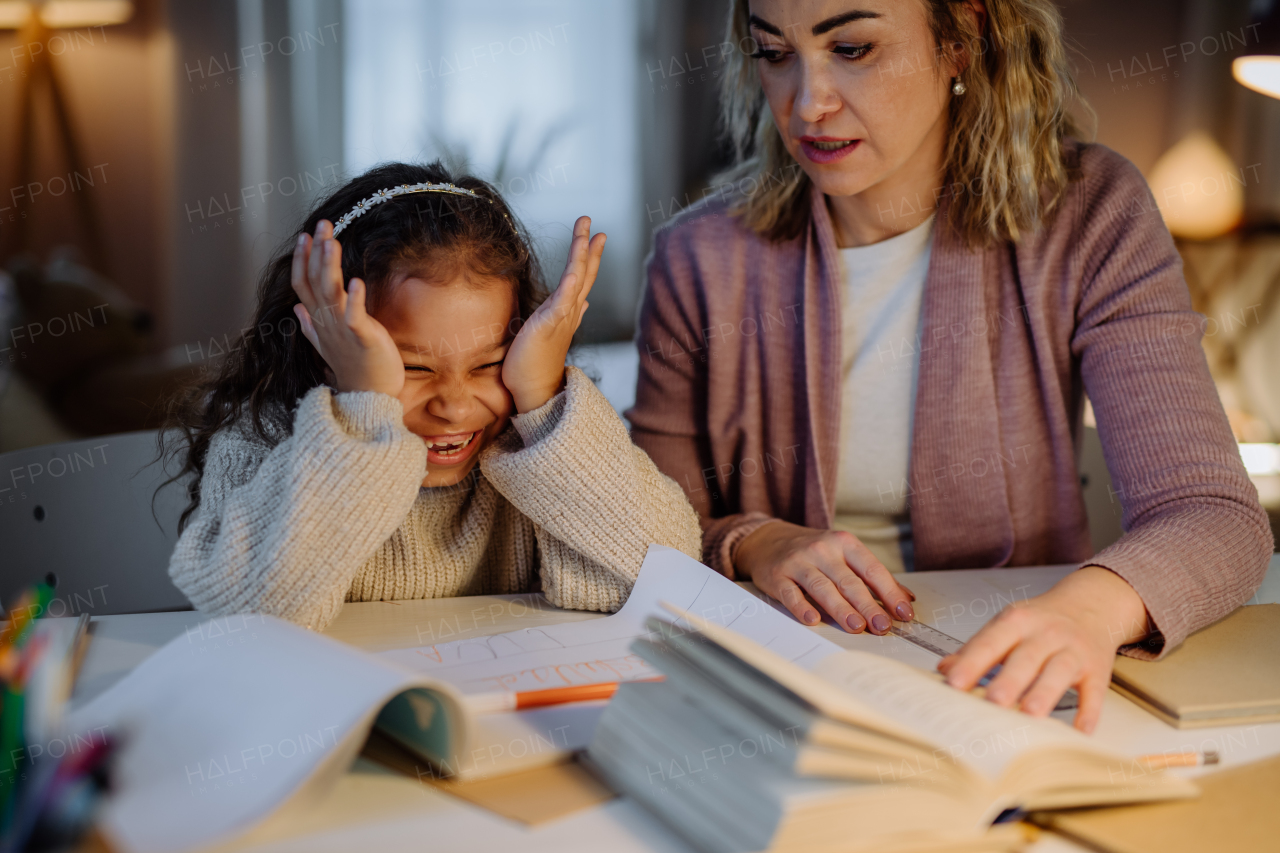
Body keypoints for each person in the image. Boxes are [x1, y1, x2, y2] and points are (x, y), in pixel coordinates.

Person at [627, 0, 1272, 732]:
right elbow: (644, 525)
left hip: (1001, 676)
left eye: (854, 47)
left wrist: (1091, 607)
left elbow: (1214, 515)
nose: (808, 103)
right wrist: (756, 540)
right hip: (767, 687)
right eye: (775, 53)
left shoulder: (1091, 213)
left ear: (960, 41)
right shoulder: (697, 254)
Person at [165, 161, 702, 632]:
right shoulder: (263, 441)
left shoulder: (547, 444)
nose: (455, 405)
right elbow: (247, 615)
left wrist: (542, 397)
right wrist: (363, 409)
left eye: (490, 363)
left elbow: (668, 578)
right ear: (324, 345)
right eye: (412, 367)